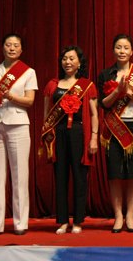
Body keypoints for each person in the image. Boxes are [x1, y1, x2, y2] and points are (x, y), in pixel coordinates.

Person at [0, 33, 38, 236]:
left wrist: (11, 96)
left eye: (16, 45)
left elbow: (30, 101)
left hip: (18, 124)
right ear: (2, 47)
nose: (12, 48)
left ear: (21, 50)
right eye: (8, 44)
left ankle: (20, 223)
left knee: (20, 175)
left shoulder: (28, 72)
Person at [41, 45, 99, 234]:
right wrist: (47, 137)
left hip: (78, 133)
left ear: (79, 63)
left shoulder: (87, 85)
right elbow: (46, 114)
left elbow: (94, 114)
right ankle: (63, 221)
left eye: (72, 58)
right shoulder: (52, 85)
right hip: (58, 134)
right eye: (64, 58)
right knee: (60, 177)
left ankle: (78, 221)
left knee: (80, 177)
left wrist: (94, 138)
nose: (68, 62)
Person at [97, 34, 133, 233]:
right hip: (113, 127)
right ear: (113, 50)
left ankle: (130, 216)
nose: (122, 51)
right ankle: (118, 216)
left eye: (126, 47)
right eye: (118, 47)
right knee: (115, 174)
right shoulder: (106, 74)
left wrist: (129, 92)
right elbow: (104, 104)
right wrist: (117, 91)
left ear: (132, 52)